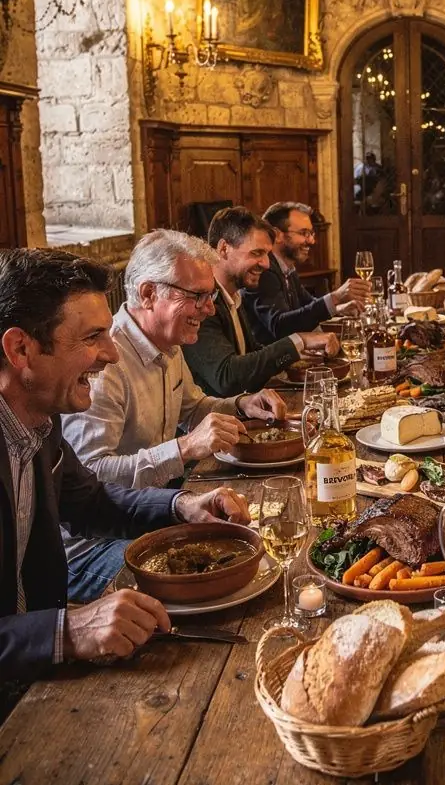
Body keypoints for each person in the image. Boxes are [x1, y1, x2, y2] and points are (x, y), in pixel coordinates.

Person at [0, 247, 253, 785]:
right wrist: (67, 630)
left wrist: (182, 505)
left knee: (177, 781)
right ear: (20, 349)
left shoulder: (34, 422)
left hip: (27, 677)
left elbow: (95, 501)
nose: (111, 352)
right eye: (89, 338)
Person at [62, 230, 285, 599]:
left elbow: (193, 408)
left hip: (151, 514)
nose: (209, 309)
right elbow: (90, 478)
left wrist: (241, 404)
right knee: (227, 577)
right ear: (149, 294)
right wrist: (183, 449)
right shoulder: (105, 365)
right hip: (92, 547)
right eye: (197, 296)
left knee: (259, 547)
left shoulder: (166, 340)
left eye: (211, 296)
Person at [183, 205, 340, 397]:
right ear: (224, 249)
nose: (266, 264)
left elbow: (251, 355)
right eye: (256, 253)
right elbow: (226, 377)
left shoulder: (234, 294)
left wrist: (298, 353)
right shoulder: (202, 302)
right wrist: (298, 340)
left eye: (267, 254)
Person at [242, 201, 369, 342]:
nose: (312, 241)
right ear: (277, 235)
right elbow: (280, 326)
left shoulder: (287, 268)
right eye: (304, 233)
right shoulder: (264, 270)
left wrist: (339, 308)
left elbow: (308, 304)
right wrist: (336, 297)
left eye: (311, 233)